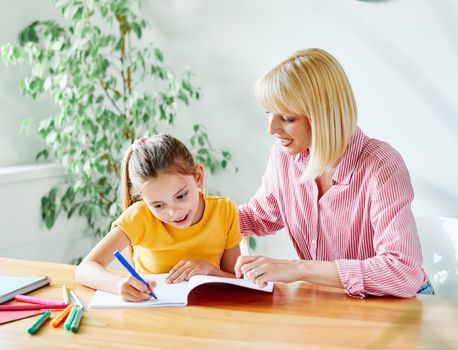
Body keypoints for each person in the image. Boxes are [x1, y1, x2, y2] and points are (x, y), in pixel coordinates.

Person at [234, 48, 434, 298]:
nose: (272, 128)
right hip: (336, 301)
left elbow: (402, 272)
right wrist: (192, 210)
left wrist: (299, 269)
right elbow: (258, 216)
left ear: (322, 115)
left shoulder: (381, 166)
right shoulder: (285, 157)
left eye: (286, 117)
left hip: (402, 305)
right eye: (269, 113)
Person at [76, 134, 241, 301]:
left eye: (181, 195)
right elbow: (85, 269)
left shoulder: (224, 211)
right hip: (154, 314)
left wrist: (211, 270)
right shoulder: (139, 217)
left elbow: (237, 281)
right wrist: (118, 284)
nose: (173, 212)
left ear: (198, 177)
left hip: (209, 313)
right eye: (158, 205)